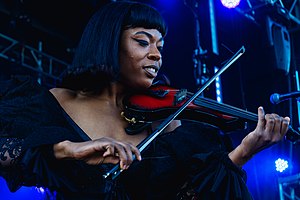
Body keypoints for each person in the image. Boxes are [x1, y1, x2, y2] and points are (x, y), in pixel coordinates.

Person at [0, 1, 290, 200]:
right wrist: (70, 149)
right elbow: (8, 152)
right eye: (142, 41)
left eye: (160, 46)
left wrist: (244, 152)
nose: (156, 54)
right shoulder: (48, 103)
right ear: (109, 41)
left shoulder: (171, 126)